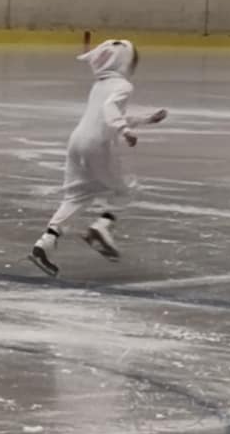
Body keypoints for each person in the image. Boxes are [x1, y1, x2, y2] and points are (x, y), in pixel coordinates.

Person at [29, 39, 166, 277]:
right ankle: (101, 227)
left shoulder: (100, 85)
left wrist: (146, 119)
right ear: (123, 62)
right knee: (125, 190)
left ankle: (46, 242)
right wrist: (124, 131)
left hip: (76, 142)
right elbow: (110, 110)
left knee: (77, 195)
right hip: (98, 145)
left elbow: (108, 114)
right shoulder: (123, 85)